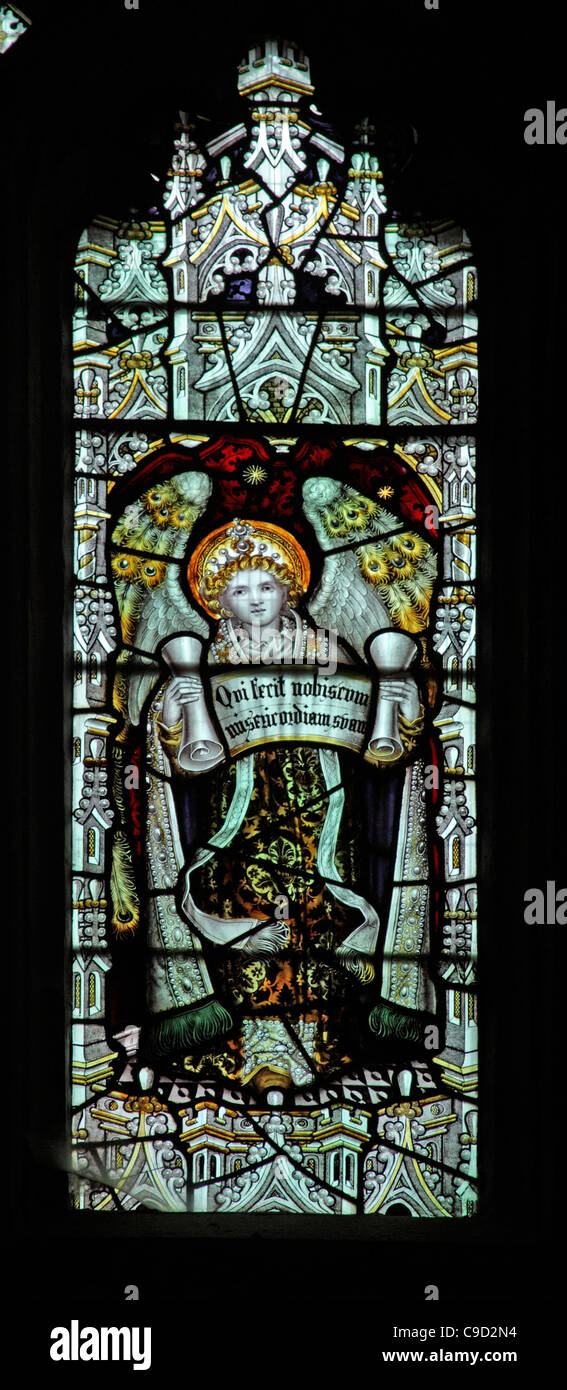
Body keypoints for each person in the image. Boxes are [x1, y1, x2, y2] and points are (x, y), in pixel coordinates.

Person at [142, 518, 424, 1093]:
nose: (255, 599)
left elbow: (384, 742)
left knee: (320, 918)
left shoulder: (327, 648)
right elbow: (175, 754)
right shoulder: (207, 655)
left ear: (290, 589)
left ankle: (328, 1046)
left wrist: (402, 699)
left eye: (266, 587)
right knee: (247, 909)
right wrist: (173, 708)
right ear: (218, 600)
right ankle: (254, 1048)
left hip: (326, 811)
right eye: (240, 590)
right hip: (237, 809)